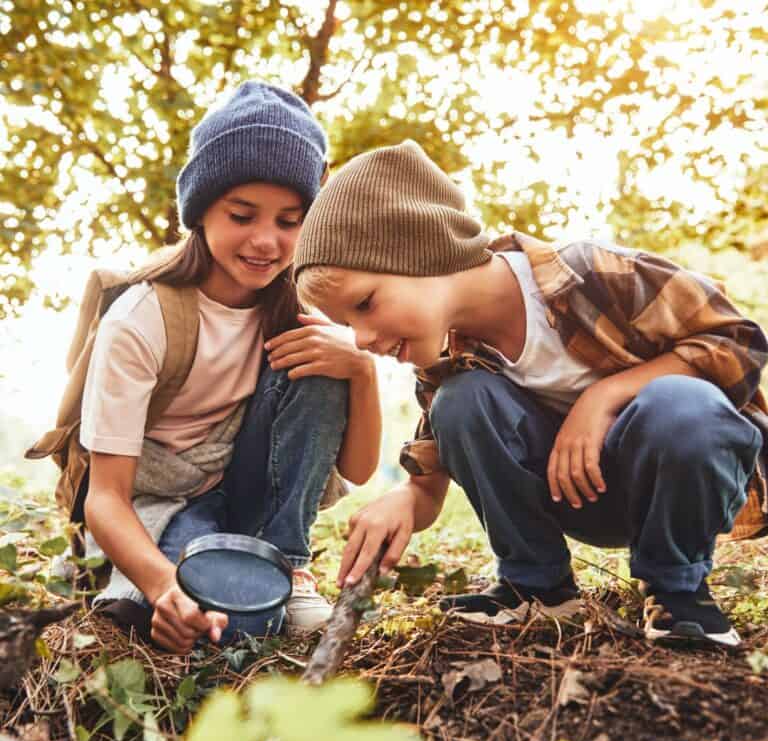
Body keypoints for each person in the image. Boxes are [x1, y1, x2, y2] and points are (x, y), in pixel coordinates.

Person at [291, 139, 768, 648]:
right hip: (580, 497)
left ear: (422, 252)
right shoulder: (447, 364)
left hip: (680, 480)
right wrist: (405, 501)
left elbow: (737, 342)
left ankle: (678, 593)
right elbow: (429, 483)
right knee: (462, 401)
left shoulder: (591, 274)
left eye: (365, 304)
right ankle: (537, 587)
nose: (361, 339)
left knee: (681, 403)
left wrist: (602, 398)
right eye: (347, 324)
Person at [81, 82, 381, 654]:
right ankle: (163, 578)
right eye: (242, 215)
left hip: (245, 488)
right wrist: (163, 586)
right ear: (201, 211)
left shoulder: (298, 312)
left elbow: (359, 469)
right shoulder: (141, 320)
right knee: (223, 625)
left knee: (322, 357)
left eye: (289, 221)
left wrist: (361, 369)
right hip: (161, 502)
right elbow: (106, 497)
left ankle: (286, 563)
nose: (266, 241)